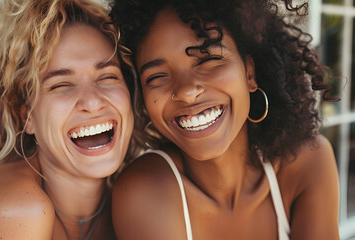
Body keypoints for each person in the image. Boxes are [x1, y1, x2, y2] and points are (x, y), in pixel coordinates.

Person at [109, 0, 340, 239]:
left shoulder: (306, 162)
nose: (187, 91)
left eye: (208, 59)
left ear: (249, 72)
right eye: (156, 76)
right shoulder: (144, 191)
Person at [0, 0, 136, 239]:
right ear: (28, 117)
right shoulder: (20, 209)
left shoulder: (132, 204)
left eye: (107, 77)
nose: (92, 102)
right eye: (61, 85)